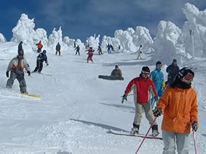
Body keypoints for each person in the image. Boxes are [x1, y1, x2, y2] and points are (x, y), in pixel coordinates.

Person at [153, 67, 198, 154]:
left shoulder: (192, 93)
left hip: (184, 125)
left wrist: (194, 120)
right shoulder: (170, 90)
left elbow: (194, 109)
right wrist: (159, 109)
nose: (189, 81)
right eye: (187, 78)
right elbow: (163, 102)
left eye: (191, 78)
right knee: (169, 150)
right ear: (181, 77)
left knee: (183, 151)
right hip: (169, 124)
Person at [122, 66, 159, 136]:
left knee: (150, 114)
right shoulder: (135, 81)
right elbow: (129, 87)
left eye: (148, 74)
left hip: (146, 101)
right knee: (138, 114)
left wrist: (156, 97)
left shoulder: (149, 82)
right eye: (145, 73)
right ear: (142, 72)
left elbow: (153, 90)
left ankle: (155, 129)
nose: (146, 75)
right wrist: (125, 94)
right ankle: (135, 128)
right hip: (138, 101)